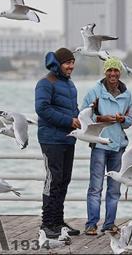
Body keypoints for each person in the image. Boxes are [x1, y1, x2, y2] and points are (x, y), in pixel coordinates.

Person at [81, 57, 132, 235]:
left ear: (120, 72)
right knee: (95, 187)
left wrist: (122, 119)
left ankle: (109, 223)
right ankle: (91, 224)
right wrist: (100, 118)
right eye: (109, 70)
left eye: (116, 70)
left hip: (118, 146)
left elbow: (130, 121)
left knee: (114, 188)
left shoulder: (127, 94)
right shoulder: (94, 91)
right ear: (105, 72)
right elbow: (82, 116)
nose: (113, 73)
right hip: (99, 145)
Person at [35, 48, 81, 238]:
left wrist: (80, 118)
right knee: (53, 181)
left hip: (68, 139)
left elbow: (73, 109)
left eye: (72, 62)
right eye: (67, 63)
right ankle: (47, 224)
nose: (71, 66)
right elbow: (42, 109)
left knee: (64, 180)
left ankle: (58, 222)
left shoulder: (69, 84)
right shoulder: (45, 83)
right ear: (58, 64)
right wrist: (69, 121)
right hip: (50, 139)